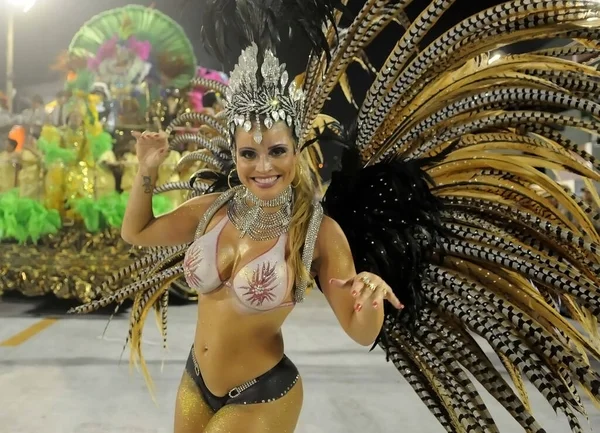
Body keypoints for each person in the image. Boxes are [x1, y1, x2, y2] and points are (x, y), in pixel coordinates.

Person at [71, 2, 600, 433]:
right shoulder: (212, 209)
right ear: (233, 154)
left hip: (262, 394)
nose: (262, 166)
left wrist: (369, 289)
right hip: (195, 381)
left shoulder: (317, 231)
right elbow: (135, 232)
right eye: (249, 154)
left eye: (276, 151)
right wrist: (146, 169)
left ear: (297, 149)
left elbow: (358, 329)